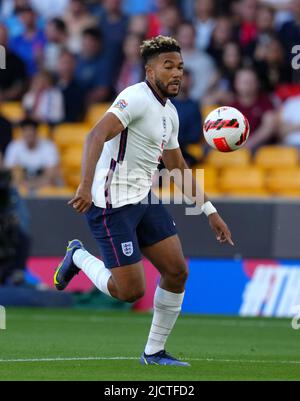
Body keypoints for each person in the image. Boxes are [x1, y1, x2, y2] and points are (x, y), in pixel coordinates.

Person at [54, 35, 233, 366]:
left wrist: (210, 211)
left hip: (142, 199)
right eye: (169, 67)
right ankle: (78, 256)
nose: (177, 73)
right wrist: (84, 184)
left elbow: (178, 168)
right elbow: (95, 135)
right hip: (110, 206)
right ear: (150, 72)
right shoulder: (133, 98)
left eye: (180, 66)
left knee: (177, 271)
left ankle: (154, 352)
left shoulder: (170, 113)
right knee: (130, 291)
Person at [4, 118, 61, 192]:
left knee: (51, 183)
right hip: (22, 183)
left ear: (36, 132)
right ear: (22, 132)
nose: (29, 134)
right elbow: (10, 172)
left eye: (31, 131)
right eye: (26, 131)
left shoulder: (48, 146)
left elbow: (51, 174)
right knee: (12, 185)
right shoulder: (14, 146)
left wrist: (31, 185)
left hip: (43, 185)